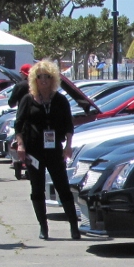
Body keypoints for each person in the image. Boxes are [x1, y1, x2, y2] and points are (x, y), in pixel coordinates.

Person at [14, 60, 81, 240]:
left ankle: (74, 226)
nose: (43, 80)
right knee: (37, 189)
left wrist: (68, 146)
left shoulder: (60, 100)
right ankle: (43, 227)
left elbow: (68, 124)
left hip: (54, 150)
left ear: (53, 79)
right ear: (34, 79)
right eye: (40, 77)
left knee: (62, 187)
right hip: (34, 150)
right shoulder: (28, 100)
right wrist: (20, 145)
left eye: (47, 77)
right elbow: (18, 124)